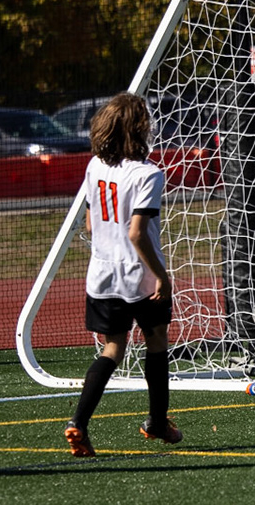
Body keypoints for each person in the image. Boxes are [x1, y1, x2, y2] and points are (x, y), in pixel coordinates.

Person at [65, 93, 180, 458]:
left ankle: (78, 423)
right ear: (139, 130)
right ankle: (158, 422)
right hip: (138, 275)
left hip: (101, 273)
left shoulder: (94, 166)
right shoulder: (148, 173)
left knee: (113, 348)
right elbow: (136, 232)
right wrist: (161, 275)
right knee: (156, 340)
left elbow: (89, 219)